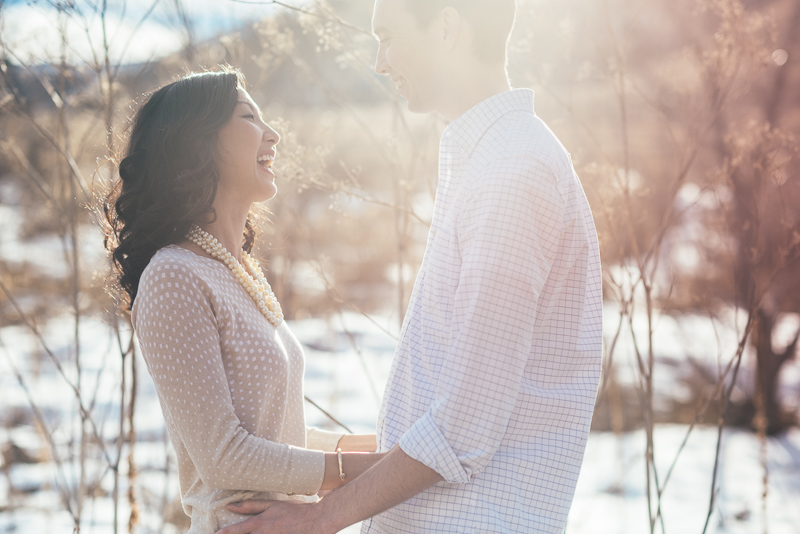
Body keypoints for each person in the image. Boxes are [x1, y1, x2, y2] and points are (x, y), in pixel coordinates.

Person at [218, 0, 603, 532]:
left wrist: (320, 518)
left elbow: (463, 426)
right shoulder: (491, 158)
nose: (380, 62)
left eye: (389, 37)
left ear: (446, 24)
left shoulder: (512, 172)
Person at [103, 68, 385, 534]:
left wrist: (387, 452)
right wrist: (373, 473)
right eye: (249, 116)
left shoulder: (238, 270)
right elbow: (224, 456)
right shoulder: (174, 276)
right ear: (197, 141)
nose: (273, 134)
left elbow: (276, 434)